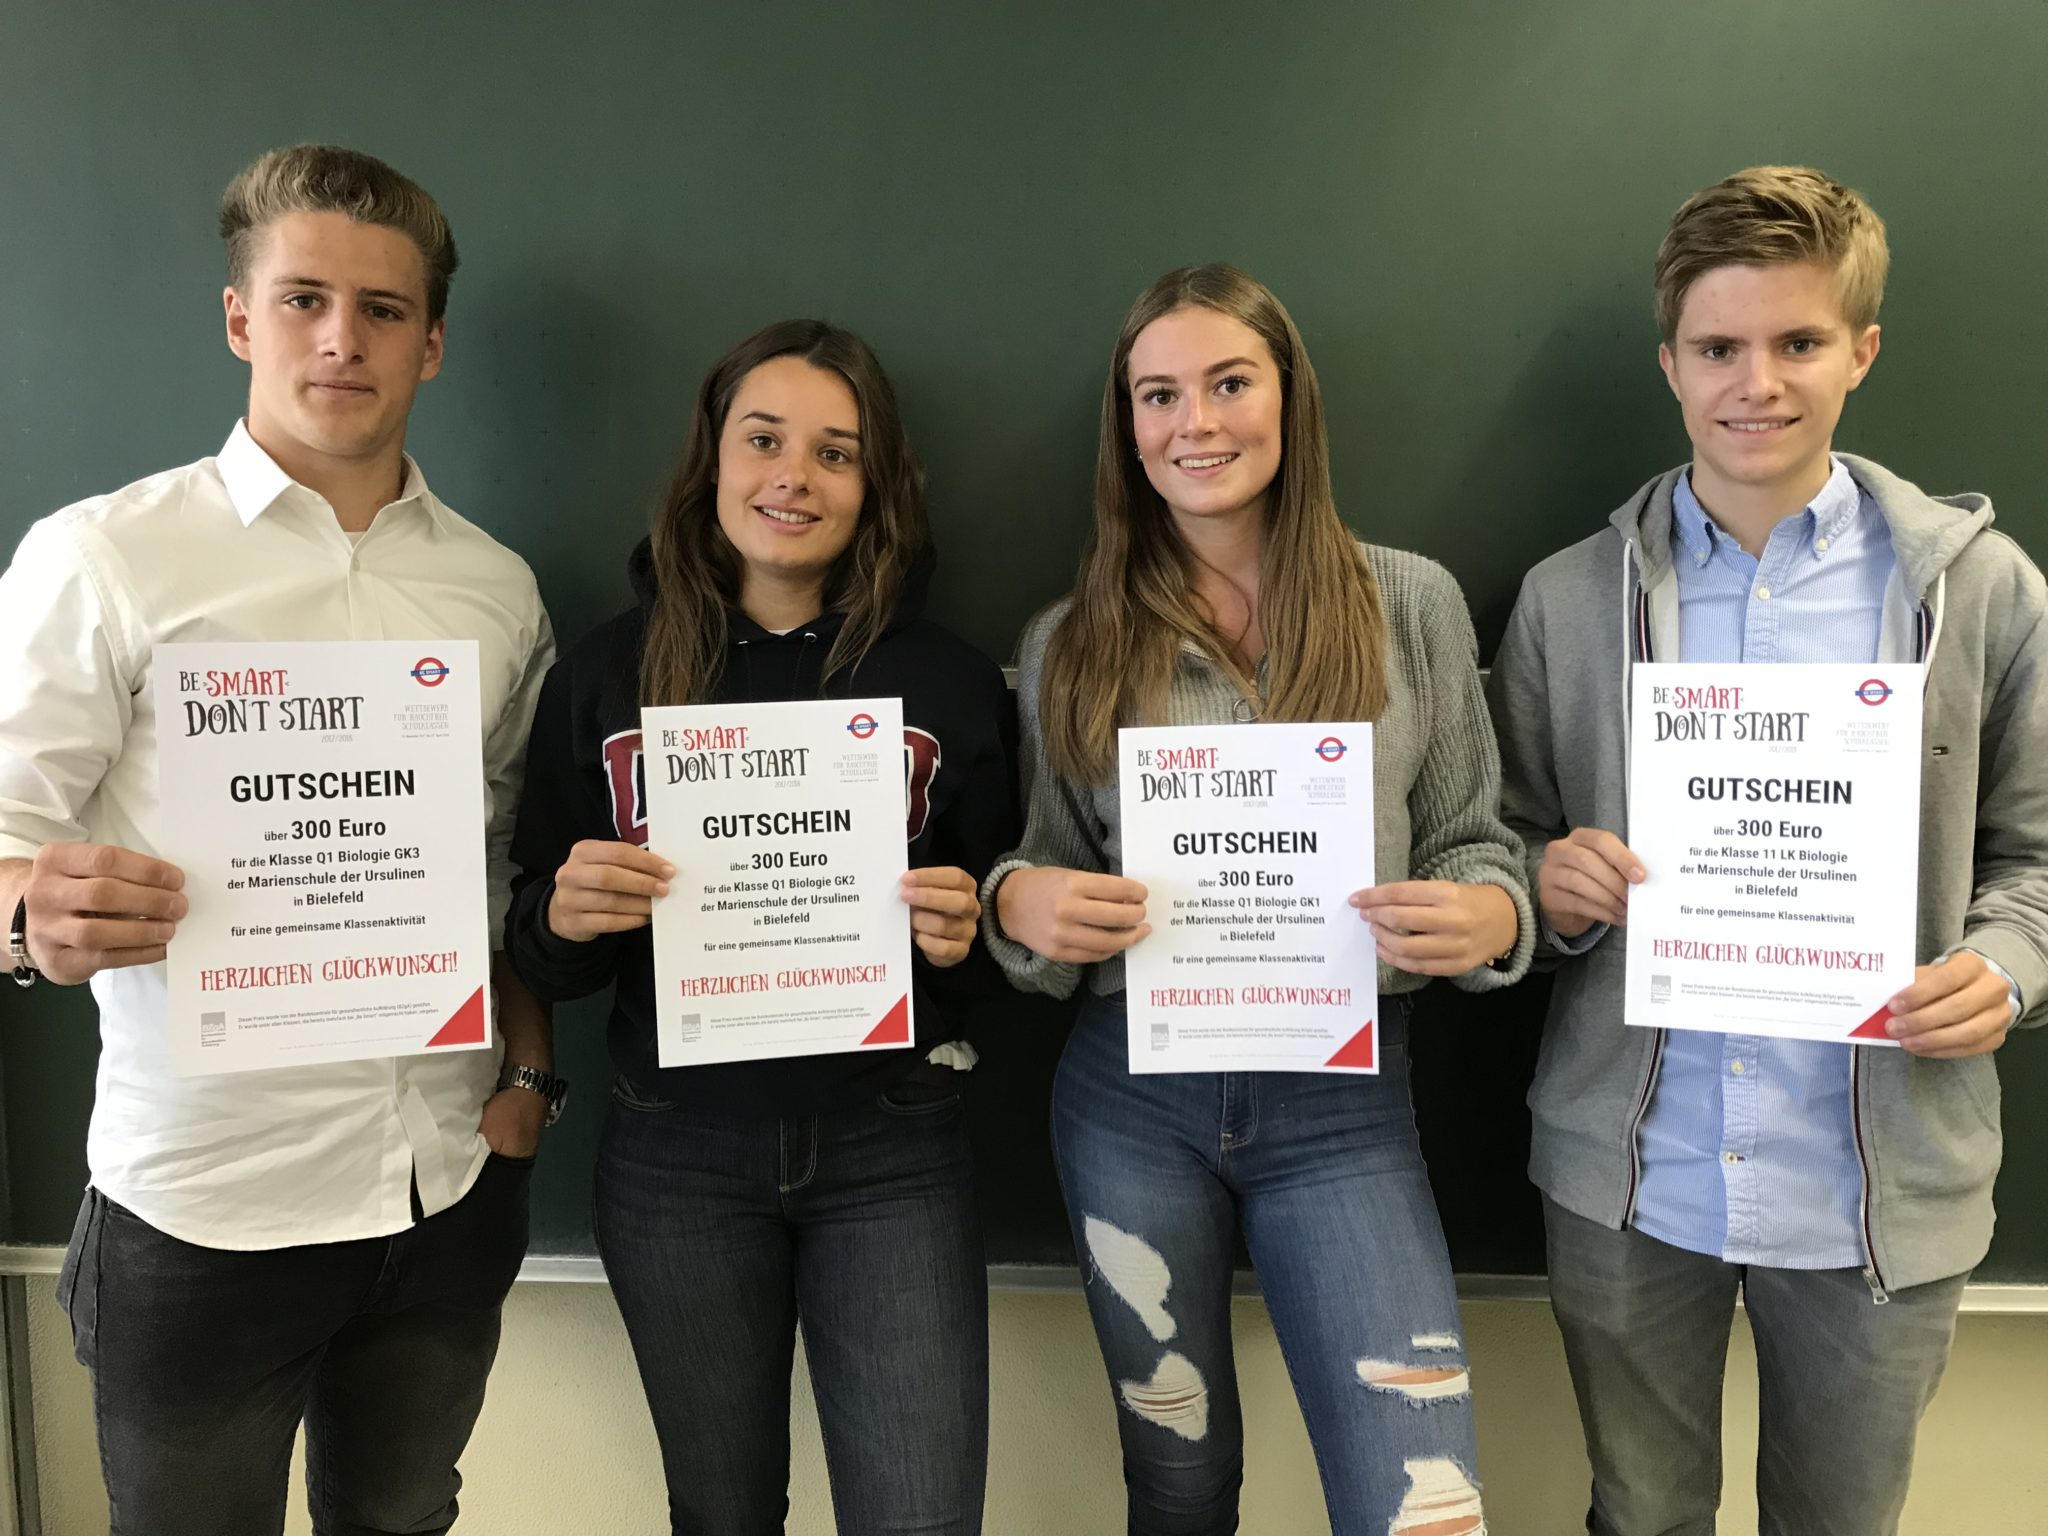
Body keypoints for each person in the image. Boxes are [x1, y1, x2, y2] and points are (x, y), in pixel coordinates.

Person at [0, 144, 557, 1534]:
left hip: (442, 1190)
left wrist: (529, 1073)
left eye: (382, 309)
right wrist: (26, 917)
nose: (340, 338)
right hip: (205, 1212)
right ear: (240, 318)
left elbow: (504, 869)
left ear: (431, 344)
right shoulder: (103, 558)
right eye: (304, 298)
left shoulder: (495, 591)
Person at [1486, 165, 2048, 1536]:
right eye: (1718, 348)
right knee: (1640, 1515)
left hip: (1877, 1188)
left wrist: (2004, 969)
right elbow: (1497, 847)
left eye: (1798, 341)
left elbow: (2035, 859)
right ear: (1669, 363)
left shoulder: (1980, 592)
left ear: (1861, 349)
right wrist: (1549, 890)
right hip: (1634, 1176)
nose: (1757, 383)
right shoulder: (1566, 600)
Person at [979, 263, 1530, 1536]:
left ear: (1289, 399)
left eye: (1229, 383)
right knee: (1176, 1481)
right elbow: (1035, 861)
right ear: (1126, 424)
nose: (1195, 422)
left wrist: (1488, 917)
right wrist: (1020, 903)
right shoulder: (1068, 639)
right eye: (1158, 395)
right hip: (1129, 1101)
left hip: (1343, 1103)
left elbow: (1475, 844)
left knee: (1418, 1500)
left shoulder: (1409, 603)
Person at [503, 318, 1017, 1535]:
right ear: (711, 458)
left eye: (835, 453)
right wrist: (565, 915)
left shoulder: (950, 681)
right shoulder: (605, 674)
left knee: (920, 1517)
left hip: (893, 1144)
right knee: (721, 1514)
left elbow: (1009, 930)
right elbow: (536, 944)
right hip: (675, 1150)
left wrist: (971, 933)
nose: (793, 476)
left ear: (876, 485)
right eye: (764, 440)